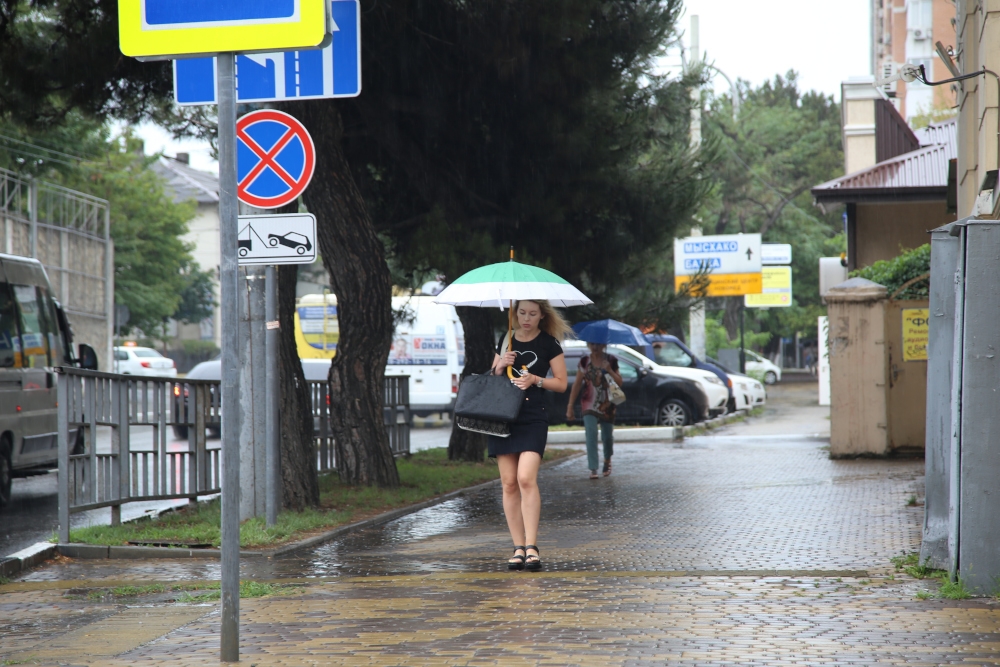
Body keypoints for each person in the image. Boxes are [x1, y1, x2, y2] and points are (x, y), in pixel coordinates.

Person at [490, 299, 570, 572]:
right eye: (521, 312)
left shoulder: (549, 344)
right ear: (514, 313)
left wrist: (535, 379)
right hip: (504, 417)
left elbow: (561, 383)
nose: (526, 318)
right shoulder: (506, 339)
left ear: (541, 316)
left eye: (532, 314)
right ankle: (518, 548)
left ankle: (532, 546)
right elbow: (493, 376)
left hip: (533, 416)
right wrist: (502, 366)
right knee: (509, 483)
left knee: (525, 478)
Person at [566, 343, 622, 479]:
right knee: (591, 432)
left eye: (598, 343)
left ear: (603, 344)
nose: (595, 346)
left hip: (607, 403)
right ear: (588, 344)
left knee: (607, 436)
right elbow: (578, 383)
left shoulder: (611, 360)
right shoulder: (584, 361)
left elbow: (619, 383)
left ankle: (607, 460)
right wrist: (570, 406)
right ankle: (593, 467)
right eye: (591, 343)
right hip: (588, 402)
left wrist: (609, 369)